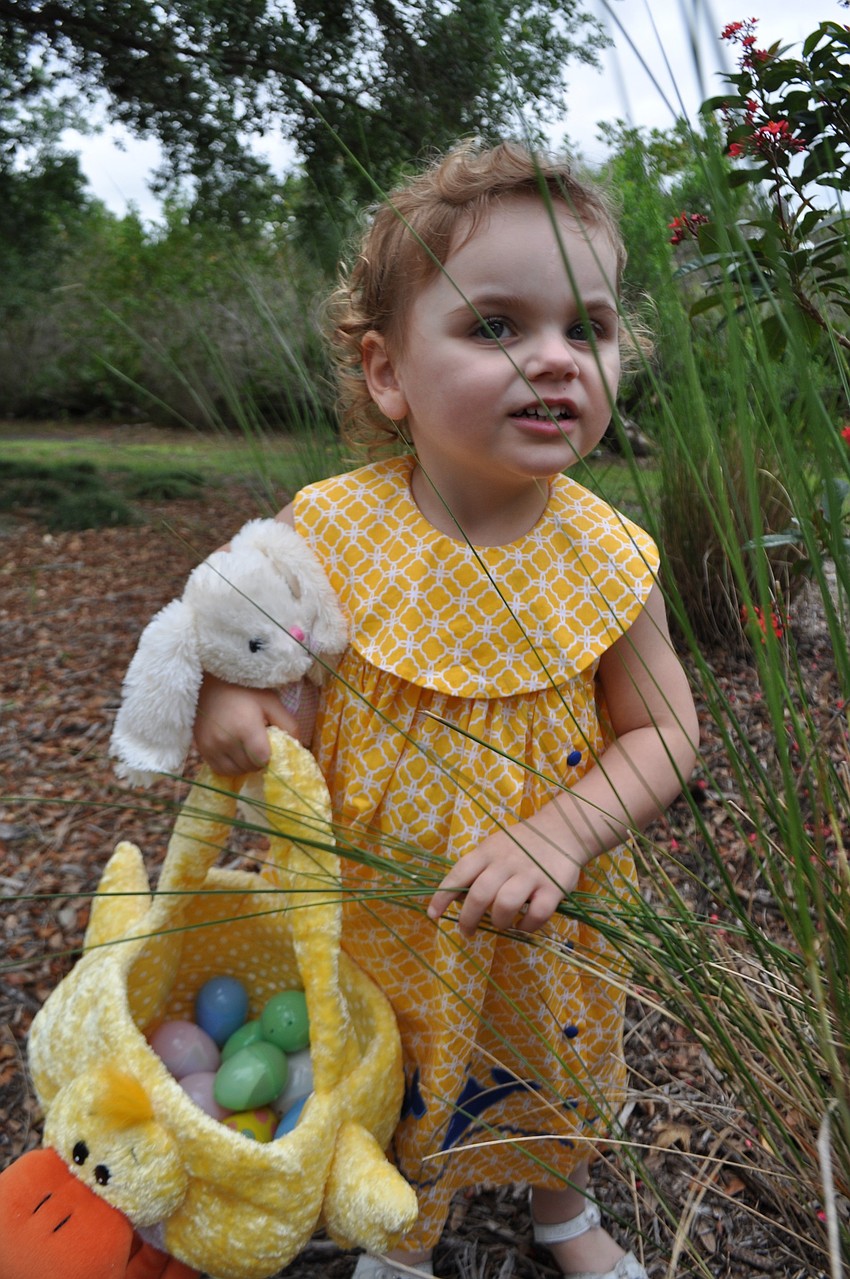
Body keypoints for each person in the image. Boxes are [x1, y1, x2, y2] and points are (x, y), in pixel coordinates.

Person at [191, 141, 699, 1279]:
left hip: (542, 903)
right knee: (386, 1057)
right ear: (386, 373)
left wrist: (561, 832)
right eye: (498, 326)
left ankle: (562, 1209)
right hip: (373, 894)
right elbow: (258, 656)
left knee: (553, 1057)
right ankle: (401, 1231)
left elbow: (665, 730)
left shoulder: (607, 558)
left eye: (591, 328)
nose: (557, 358)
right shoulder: (331, 530)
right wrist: (240, 701)